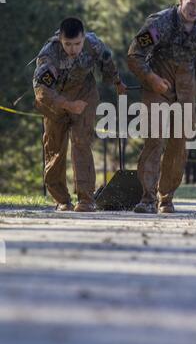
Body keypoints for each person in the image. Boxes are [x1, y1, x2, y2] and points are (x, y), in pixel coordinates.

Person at [127, 0, 196, 214]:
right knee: (154, 138)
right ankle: (147, 199)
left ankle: (166, 198)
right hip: (158, 80)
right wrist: (152, 79)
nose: (193, 9)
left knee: (180, 143)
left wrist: (190, 82)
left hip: (186, 85)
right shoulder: (160, 23)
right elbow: (134, 55)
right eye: (191, 3)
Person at [33, 17, 126, 212]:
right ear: (60, 39)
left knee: (81, 143)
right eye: (68, 44)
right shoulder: (49, 54)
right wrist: (67, 104)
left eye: (77, 44)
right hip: (55, 101)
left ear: (84, 38)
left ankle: (86, 199)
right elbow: (42, 89)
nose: (73, 49)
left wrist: (117, 82)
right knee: (55, 149)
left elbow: (107, 62)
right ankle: (61, 200)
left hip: (84, 95)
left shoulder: (94, 44)